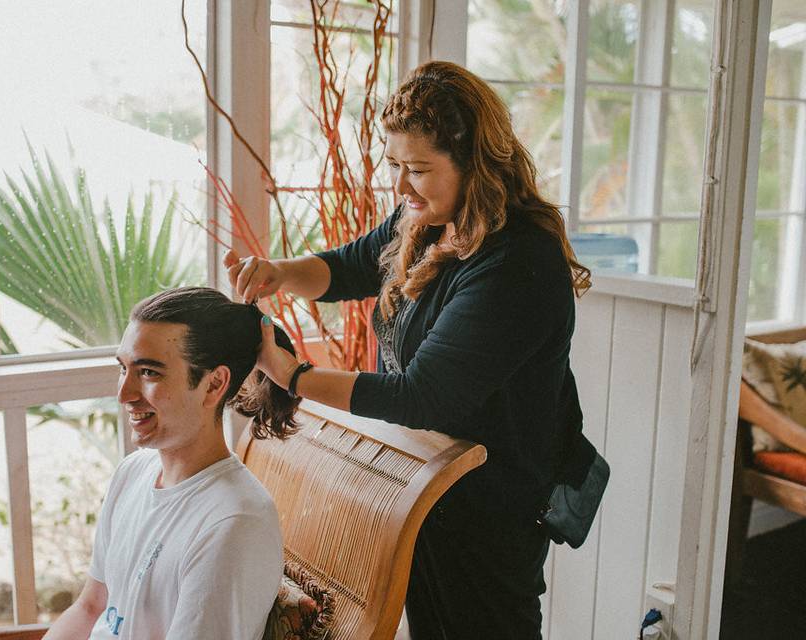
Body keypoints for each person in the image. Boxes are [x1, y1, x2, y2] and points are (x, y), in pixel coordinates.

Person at [224, 61, 591, 639]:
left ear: (475, 163)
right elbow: (348, 266)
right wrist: (277, 272)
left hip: (490, 511)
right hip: (428, 492)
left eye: (417, 169)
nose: (400, 186)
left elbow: (422, 396)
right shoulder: (427, 218)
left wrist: (293, 376)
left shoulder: (518, 262)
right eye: (395, 165)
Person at [44, 287, 300, 640]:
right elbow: (91, 607)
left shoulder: (235, 523)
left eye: (149, 372)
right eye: (124, 369)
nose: (124, 394)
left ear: (214, 384)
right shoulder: (133, 472)